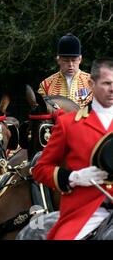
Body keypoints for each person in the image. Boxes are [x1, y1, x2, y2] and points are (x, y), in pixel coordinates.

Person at [33, 58, 113, 240]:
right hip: (87, 211)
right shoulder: (68, 124)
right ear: (92, 84)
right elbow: (40, 169)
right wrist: (72, 177)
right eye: (107, 83)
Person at [38, 33, 92, 106]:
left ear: (80, 59)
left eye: (74, 60)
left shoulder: (93, 82)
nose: (70, 64)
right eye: (66, 60)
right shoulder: (46, 85)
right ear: (58, 60)